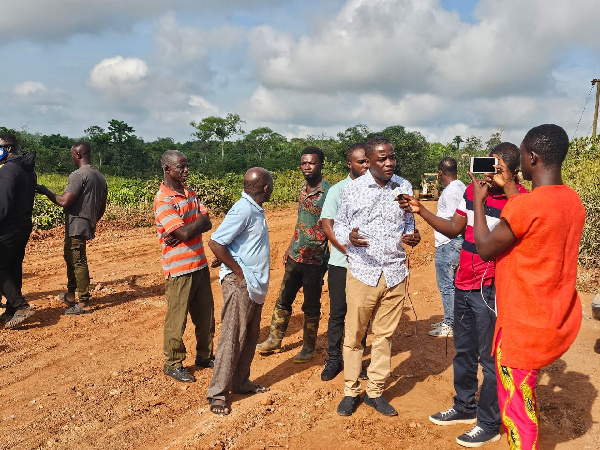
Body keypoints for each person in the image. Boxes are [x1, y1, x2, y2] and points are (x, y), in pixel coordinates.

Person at [400, 143, 528, 447]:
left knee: (490, 358)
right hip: (464, 282)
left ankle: (489, 422)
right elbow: (455, 227)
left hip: (491, 289)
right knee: (464, 350)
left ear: (509, 169)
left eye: (495, 166)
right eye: (487, 164)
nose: (488, 171)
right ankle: (464, 406)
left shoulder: (519, 199)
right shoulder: (472, 193)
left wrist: (491, 194)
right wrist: (422, 210)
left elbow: (505, 235)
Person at [469, 124, 585, 449]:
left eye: (521, 157)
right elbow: (533, 225)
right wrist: (509, 188)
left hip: (522, 326)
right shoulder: (573, 202)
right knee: (526, 397)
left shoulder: (526, 206)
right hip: (550, 318)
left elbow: (485, 246)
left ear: (532, 157)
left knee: (519, 413)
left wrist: (479, 200)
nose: (519, 164)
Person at [334, 135, 420, 417]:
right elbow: (339, 226)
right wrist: (349, 237)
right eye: (382, 158)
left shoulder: (403, 186)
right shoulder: (352, 190)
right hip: (363, 271)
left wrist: (413, 235)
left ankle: (375, 391)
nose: (389, 163)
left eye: (391, 157)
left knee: (384, 336)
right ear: (368, 161)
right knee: (355, 334)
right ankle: (350, 390)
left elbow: (409, 221)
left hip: (395, 271)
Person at [206, 168, 274, 416]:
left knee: (250, 335)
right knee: (232, 337)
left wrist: (231, 261)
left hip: (253, 284)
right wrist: (238, 271)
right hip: (241, 284)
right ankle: (218, 394)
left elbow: (233, 243)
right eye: (271, 184)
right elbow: (216, 242)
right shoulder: (244, 208)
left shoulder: (254, 208)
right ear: (265, 188)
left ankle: (240, 382)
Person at [256, 146, 331, 363]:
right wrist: (290, 247)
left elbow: (333, 226)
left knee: (311, 305)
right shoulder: (302, 190)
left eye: (311, 163)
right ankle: (274, 340)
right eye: (303, 163)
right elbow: (300, 223)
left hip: (316, 259)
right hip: (296, 255)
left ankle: (309, 347)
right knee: (283, 299)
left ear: (321, 165)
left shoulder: (329, 192)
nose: (307, 167)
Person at [153, 150, 215, 382]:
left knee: (206, 316)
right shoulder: (163, 199)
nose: (186, 170)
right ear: (167, 169)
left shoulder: (189, 192)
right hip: (178, 269)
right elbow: (186, 231)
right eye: (181, 167)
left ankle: (204, 356)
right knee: (177, 319)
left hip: (199, 264)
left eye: (186, 166)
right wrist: (189, 227)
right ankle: (173, 363)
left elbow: (206, 222)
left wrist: (187, 228)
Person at [37, 141, 108, 315]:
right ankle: (70, 295)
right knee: (69, 256)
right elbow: (102, 206)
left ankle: (83, 302)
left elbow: (64, 201)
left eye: (71, 155)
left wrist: (45, 190)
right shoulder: (99, 176)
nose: (71, 158)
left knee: (78, 260)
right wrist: (92, 220)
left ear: (78, 154)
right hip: (83, 223)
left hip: (77, 224)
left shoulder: (78, 175)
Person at [319, 143, 370, 381]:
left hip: (368, 264)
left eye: (368, 161)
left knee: (360, 314)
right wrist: (347, 251)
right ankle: (334, 358)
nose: (366, 165)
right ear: (349, 164)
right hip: (342, 262)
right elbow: (327, 227)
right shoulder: (337, 190)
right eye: (361, 162)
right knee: (338, 312)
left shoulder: (375, 188)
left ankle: (356, 360)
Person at [0, 133, 37, 328]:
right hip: (23, 225)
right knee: (13, 265)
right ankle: (11, 310)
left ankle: (21, 306)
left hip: (9, 227)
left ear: (6, 149)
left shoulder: (9, 169)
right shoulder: (28, 169)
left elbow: (3, 206)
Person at [429, 158, 466, 338]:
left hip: (448, 243)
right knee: (452, 285)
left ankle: (450, 324)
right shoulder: (461, 187)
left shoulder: (451, 192)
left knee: (446, 285)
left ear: (440, 173)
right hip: (455, 243)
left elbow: (455, 221)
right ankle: (451, 320)